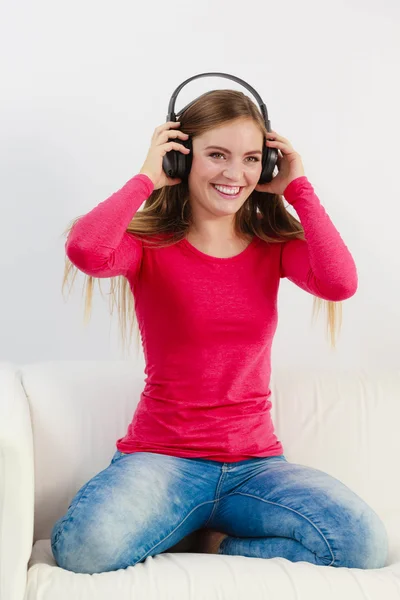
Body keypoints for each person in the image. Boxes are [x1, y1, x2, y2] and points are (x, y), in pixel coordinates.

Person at [51, 89, 388, 574]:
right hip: (162, 460)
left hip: (255, 468)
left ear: (268, 166)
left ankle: (212, 544)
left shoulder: (272, 248)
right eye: (216, 155)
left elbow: (340, 284)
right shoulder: (149, 246)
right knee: (85, 550)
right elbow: (86, 250)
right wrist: (146, 176)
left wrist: (299, 190)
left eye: (252, 159)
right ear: (180, 157)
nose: (235, 174)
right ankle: (185, 526)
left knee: (362, 544)